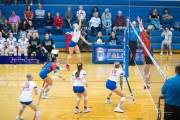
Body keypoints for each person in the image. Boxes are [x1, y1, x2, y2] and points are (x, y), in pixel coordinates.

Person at [137, 17, 152, 91]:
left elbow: (142, 31)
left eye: (145, 32)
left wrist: (140, 23)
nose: (144, 32)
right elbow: (142, 31)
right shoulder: (145, 39)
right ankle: (149, 83)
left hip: (148, 58)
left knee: (146, 73)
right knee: (147, 72)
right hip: (147, 57)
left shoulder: (146, 40)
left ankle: (147, 86)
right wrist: (140, 24)